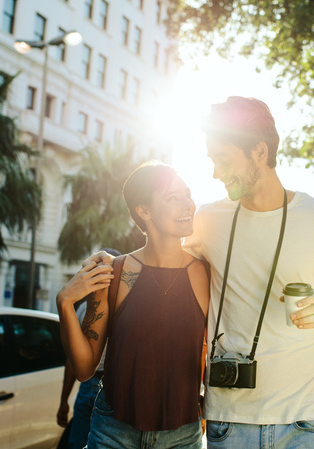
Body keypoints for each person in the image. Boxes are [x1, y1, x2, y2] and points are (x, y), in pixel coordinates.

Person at [86, 97, 314, 448]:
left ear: (260, 151)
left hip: (305, 418)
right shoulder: (207, 219)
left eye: (223, 159)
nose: (215, 173)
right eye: (212, 161)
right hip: (230, 421)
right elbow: (160, 259)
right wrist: (106, 260)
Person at [56, 162, 209, 448]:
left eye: (187, 194)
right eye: (173, 198)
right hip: (113, 433)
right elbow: (85, 369)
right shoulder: (113, 273)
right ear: (144, 211)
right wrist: (64, 303)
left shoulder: (205, 274)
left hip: (182, 436)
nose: (188, 205)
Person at [56, 250, 119, 449]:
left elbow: (71, 361)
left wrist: (64, 400)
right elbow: (73, 360)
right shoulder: (124, 304)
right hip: (109, 385)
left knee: (79, 441)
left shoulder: (84, 307)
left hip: (93, 384)